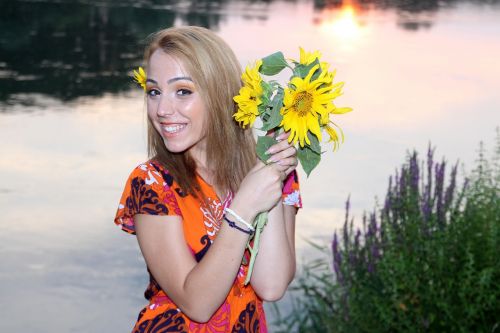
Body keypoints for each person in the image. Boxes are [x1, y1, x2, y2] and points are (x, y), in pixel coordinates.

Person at [114, 26, 302, 333]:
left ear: (220, 94)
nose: (162, 109)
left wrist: (273, 174)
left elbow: (271, 285)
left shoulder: (266, 173)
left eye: (183, 92)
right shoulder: (151, 183)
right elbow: (198, 304)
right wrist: (242, 210)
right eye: (154, 92)